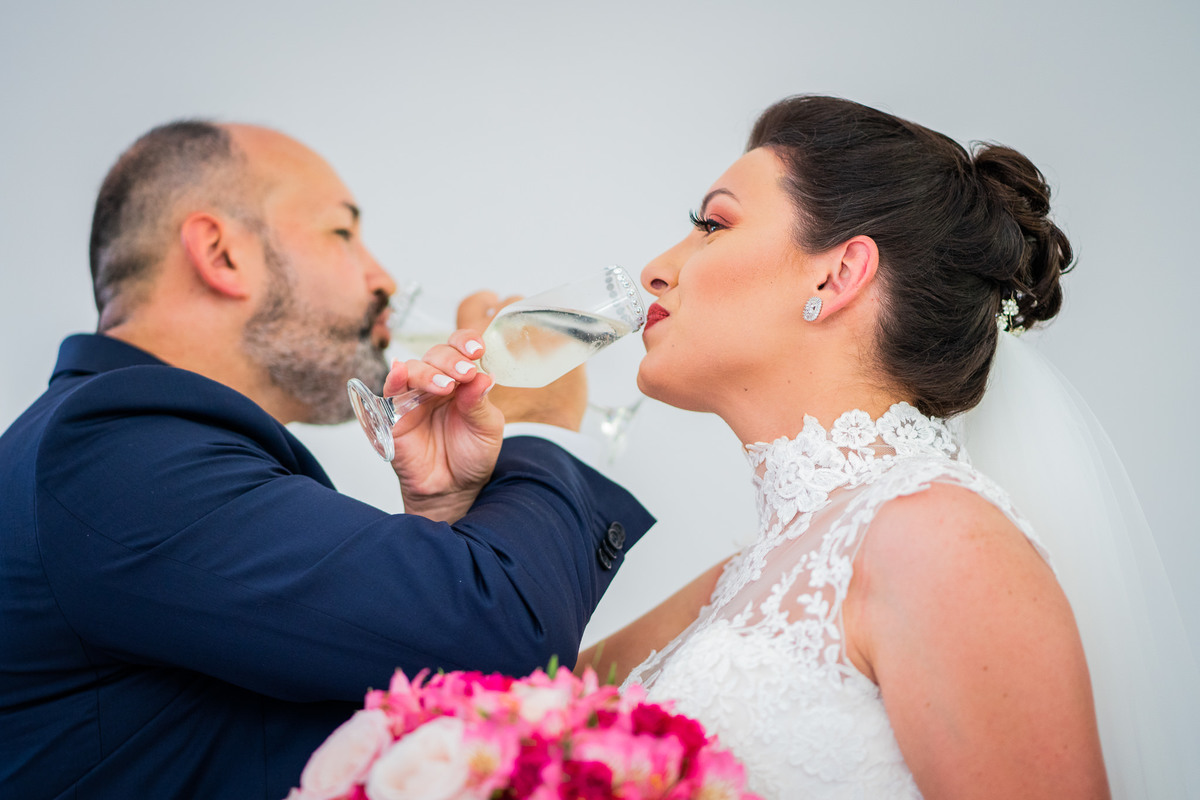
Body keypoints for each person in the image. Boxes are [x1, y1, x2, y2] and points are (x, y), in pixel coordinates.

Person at [0, 120, 654, 798]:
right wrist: (543, 422)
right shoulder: (111, 452)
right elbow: (499, 645)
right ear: (221, 253)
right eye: (343, 233)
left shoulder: (121, 447)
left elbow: (426, 683)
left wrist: (447, 512)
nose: (383, 278)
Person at [578, 95, 1199, 798]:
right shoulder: (746, 576)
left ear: (838, 274)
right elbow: (501, 715)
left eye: (713, 225)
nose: (657, 271)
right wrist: (461, 491)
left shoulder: (938, 538)